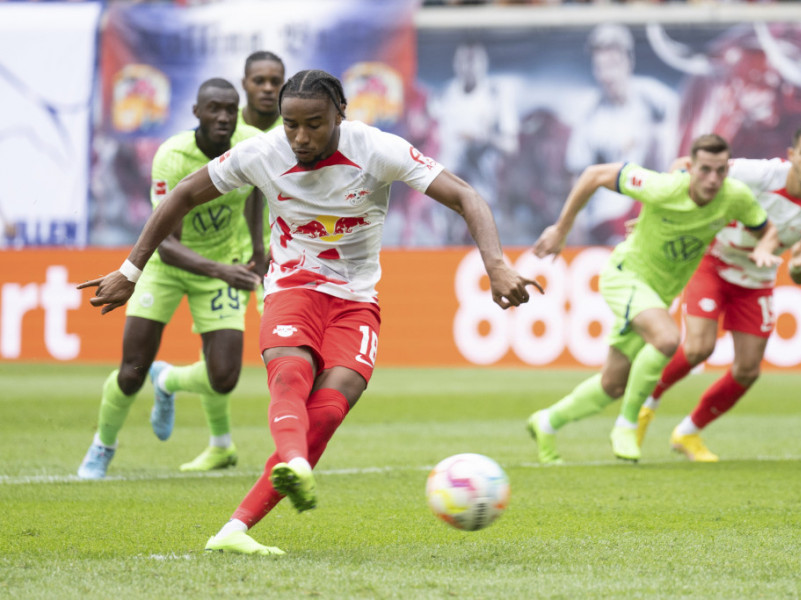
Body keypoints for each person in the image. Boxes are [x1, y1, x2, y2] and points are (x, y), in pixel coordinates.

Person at [78, 69, 541, 554]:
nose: (300, 137)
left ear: (341, 114)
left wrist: (496, 265)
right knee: (290, 375)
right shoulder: (262, 152)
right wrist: (130, 271)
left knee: (330, 408)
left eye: (314, 124)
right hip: (293, 288)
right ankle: (296, 463)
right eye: (290, 124)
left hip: (356, 301)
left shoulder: (377, 149)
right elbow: (183, 194)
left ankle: (233, 530)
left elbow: (466, 195)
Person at [526, 133, 781, 465]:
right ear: (690, 167)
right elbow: (594, 175)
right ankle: (627, 424)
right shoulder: (663, 188)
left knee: (612, 384)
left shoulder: (735, 197)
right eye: (705, 169)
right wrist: (561, 230)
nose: (713, 179)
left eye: (720, 171)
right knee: (667, 339)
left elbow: (767, 229)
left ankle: (546, 423)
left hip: (658, 295)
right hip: (625, 277)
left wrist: (765, 247)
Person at [76, 78, 264, 479]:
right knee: (132, 371)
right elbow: (165, 245)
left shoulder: (250, 143)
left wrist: (259, 250)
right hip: (168, 268)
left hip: (223, 264)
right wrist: (223, 271)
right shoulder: (172, 157)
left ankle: (167, 381)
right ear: (196, 112)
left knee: (224, 377)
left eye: (230, 109)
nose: (224, 117)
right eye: (214, 108)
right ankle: (103, 445)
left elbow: (257, 190)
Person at [633, 121, 801, 462]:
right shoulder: (761, 174)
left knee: (747, 370)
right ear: (791, 155)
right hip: (713, 260)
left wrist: (799, 268)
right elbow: (683, 168)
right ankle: (644, 405)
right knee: (699, 347)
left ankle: (688, 432)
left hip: (756, 279)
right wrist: (661, 214)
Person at [565, 24, 679, 246]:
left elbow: (683, 126)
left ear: (629, 61)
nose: (607, 76)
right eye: (599, 68)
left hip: (656, 202)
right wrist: (575, 225)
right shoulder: (591, 118)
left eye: (613, 65)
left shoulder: (653, 97)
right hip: (612, 216)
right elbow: (577, 176)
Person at [431, 41, 519, 244]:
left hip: (481, 186)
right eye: (463, 61)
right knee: (447, 238)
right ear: (456, 63)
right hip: (447, 182)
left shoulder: (494, 97)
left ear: (484, 64)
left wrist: (487, 139)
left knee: (476, 240)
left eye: (474, 61)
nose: (468, 67)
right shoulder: (445, 95)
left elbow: (511, 145)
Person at [237, 50, 287, 313]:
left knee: (280, 329)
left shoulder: (295, 130)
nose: (268, 88)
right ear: (244, 83)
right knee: (221, 332)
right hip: (226, 250)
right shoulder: (223, 125)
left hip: (280, 251)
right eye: (259, 81)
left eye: (275, 81)